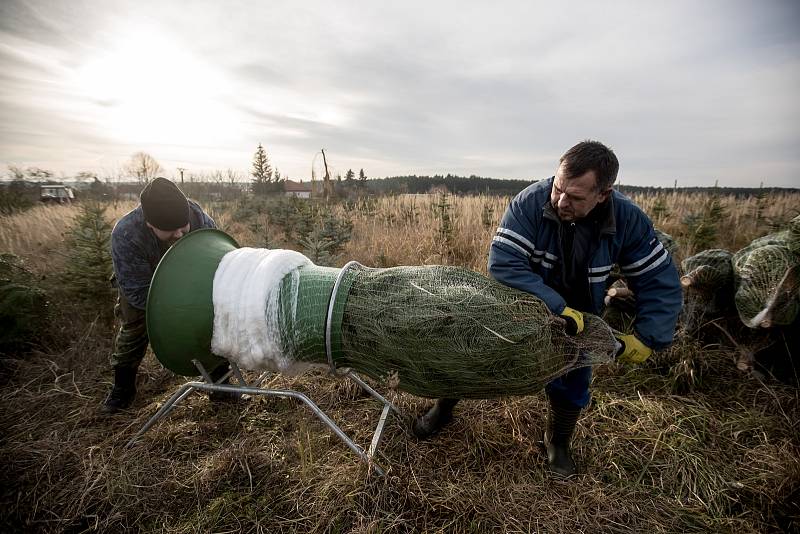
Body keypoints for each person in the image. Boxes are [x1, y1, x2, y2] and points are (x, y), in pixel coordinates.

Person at [413, 140, 683, 476]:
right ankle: (443, 408)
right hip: (520, 301)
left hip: (582, 310)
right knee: (473, 353)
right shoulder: (531, 202)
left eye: (575, 197)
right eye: (558, 189)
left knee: (573, 375)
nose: (560, 201)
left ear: (603, 194)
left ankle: (557, 442)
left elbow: (658, 278)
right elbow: (504, 264)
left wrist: (649, 337)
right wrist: (555, 305)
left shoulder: (627, 220)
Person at [102, 177, 229, 413]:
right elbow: (138, 293)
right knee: (134, 329)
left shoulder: (199, 218)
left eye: (184, 227)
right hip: (143, 283)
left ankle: (221, 384)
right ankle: (123, 389)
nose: (180, 234)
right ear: (150, 224)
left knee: (208, 322)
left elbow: (216, 260)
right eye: (170, 230)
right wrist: (176, 311)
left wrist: (197, 302)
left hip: (192, 277)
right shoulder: (126, 234)